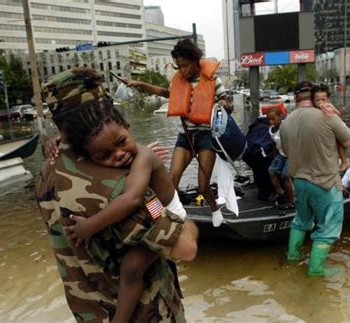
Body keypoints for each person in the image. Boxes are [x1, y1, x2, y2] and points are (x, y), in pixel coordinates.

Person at [36, 67, 198, 322]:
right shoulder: (117, 184)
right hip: (148, 316)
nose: (118, 154)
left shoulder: (47, 171)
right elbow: (186, 248)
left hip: (88, 312)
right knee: (133, 270)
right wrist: (164, 212)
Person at [63, 99, 190, 323]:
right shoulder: (129, 152)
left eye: (122, 142)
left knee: (131, 268)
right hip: (154, 206)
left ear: (129, 129)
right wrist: (54, 142)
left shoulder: (143, 156)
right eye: (105, 156)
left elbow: (131, 200)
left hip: (169, 213)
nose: (120, 154)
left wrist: (89, 226)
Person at [127, 38, 229, 227]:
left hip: (206, 136)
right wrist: (140, 84)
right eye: (179, 66)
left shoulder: (212, 78)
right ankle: (168, 217)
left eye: (185, 65)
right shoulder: (179, 80)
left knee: (203, 185)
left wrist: (223, 104)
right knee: (171, 178)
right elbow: (166, 93)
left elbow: (226, 101)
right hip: (187, 135)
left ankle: (215, 210)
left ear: (195, 60)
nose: (182, 70)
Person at [280, 84, 350, 276]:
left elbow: (284, 151)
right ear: (314, 97)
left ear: (296, 98)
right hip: (325, 183)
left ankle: (293, 257)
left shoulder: (286, 121)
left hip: (299, 181)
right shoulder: (327, 116)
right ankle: (316, 270)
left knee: (301, 221)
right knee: (328, 227)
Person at [311, 84, 350, 172]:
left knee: (339, 141)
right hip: (321, 132)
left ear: (327, 99)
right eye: (317, 100)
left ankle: (344, 160)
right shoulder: (313, 110)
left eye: (323, 99)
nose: (321, 102)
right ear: (313, 101)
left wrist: (332, 111)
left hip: (333, 128)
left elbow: (338, 114)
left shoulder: (329, 106)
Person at [266, 107, 294, 209]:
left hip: (291, 154)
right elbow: (274, 144)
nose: (271, 121)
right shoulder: (271, 130)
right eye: (269, 119)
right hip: (281, 154)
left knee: (285, 176)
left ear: (279, 117)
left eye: (273, 119)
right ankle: (280, 191)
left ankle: (292, 201)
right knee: (271, 171)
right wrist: (274, 157)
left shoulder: (285, 126)